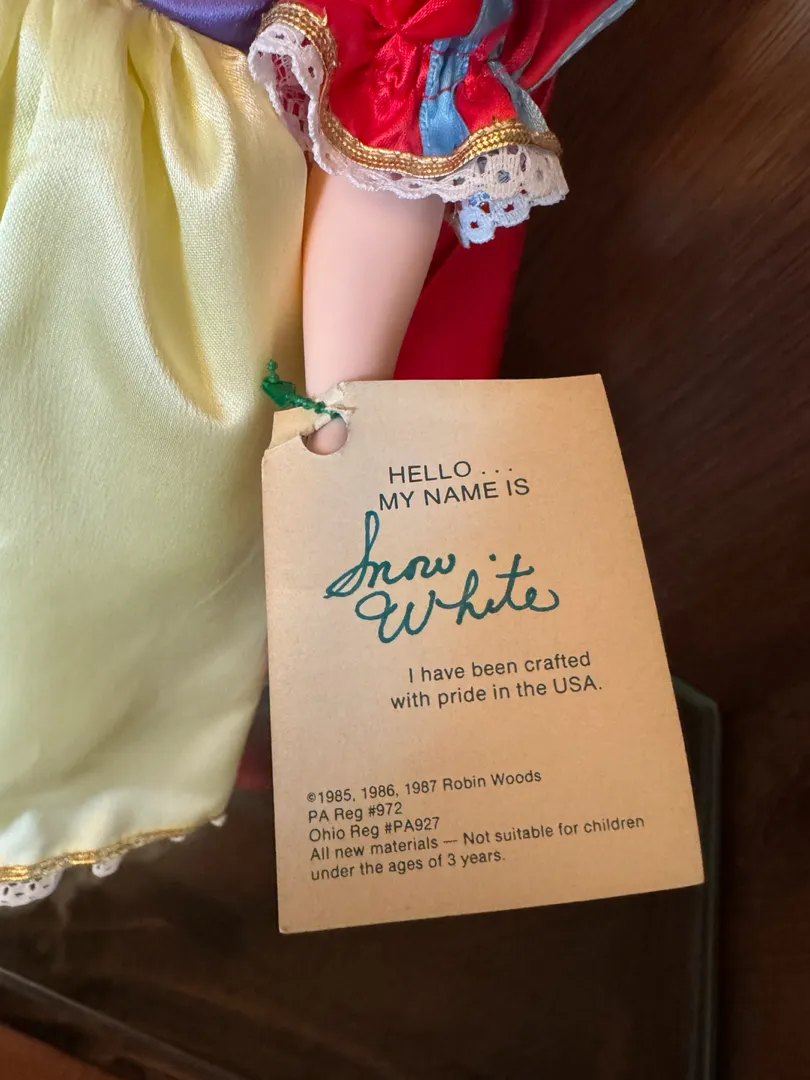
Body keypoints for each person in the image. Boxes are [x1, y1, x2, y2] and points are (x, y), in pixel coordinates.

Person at [0, 0, 634, 906]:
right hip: (99, 178)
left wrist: (335, 439)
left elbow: (394, 139)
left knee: (59, 616)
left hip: (150, 249)